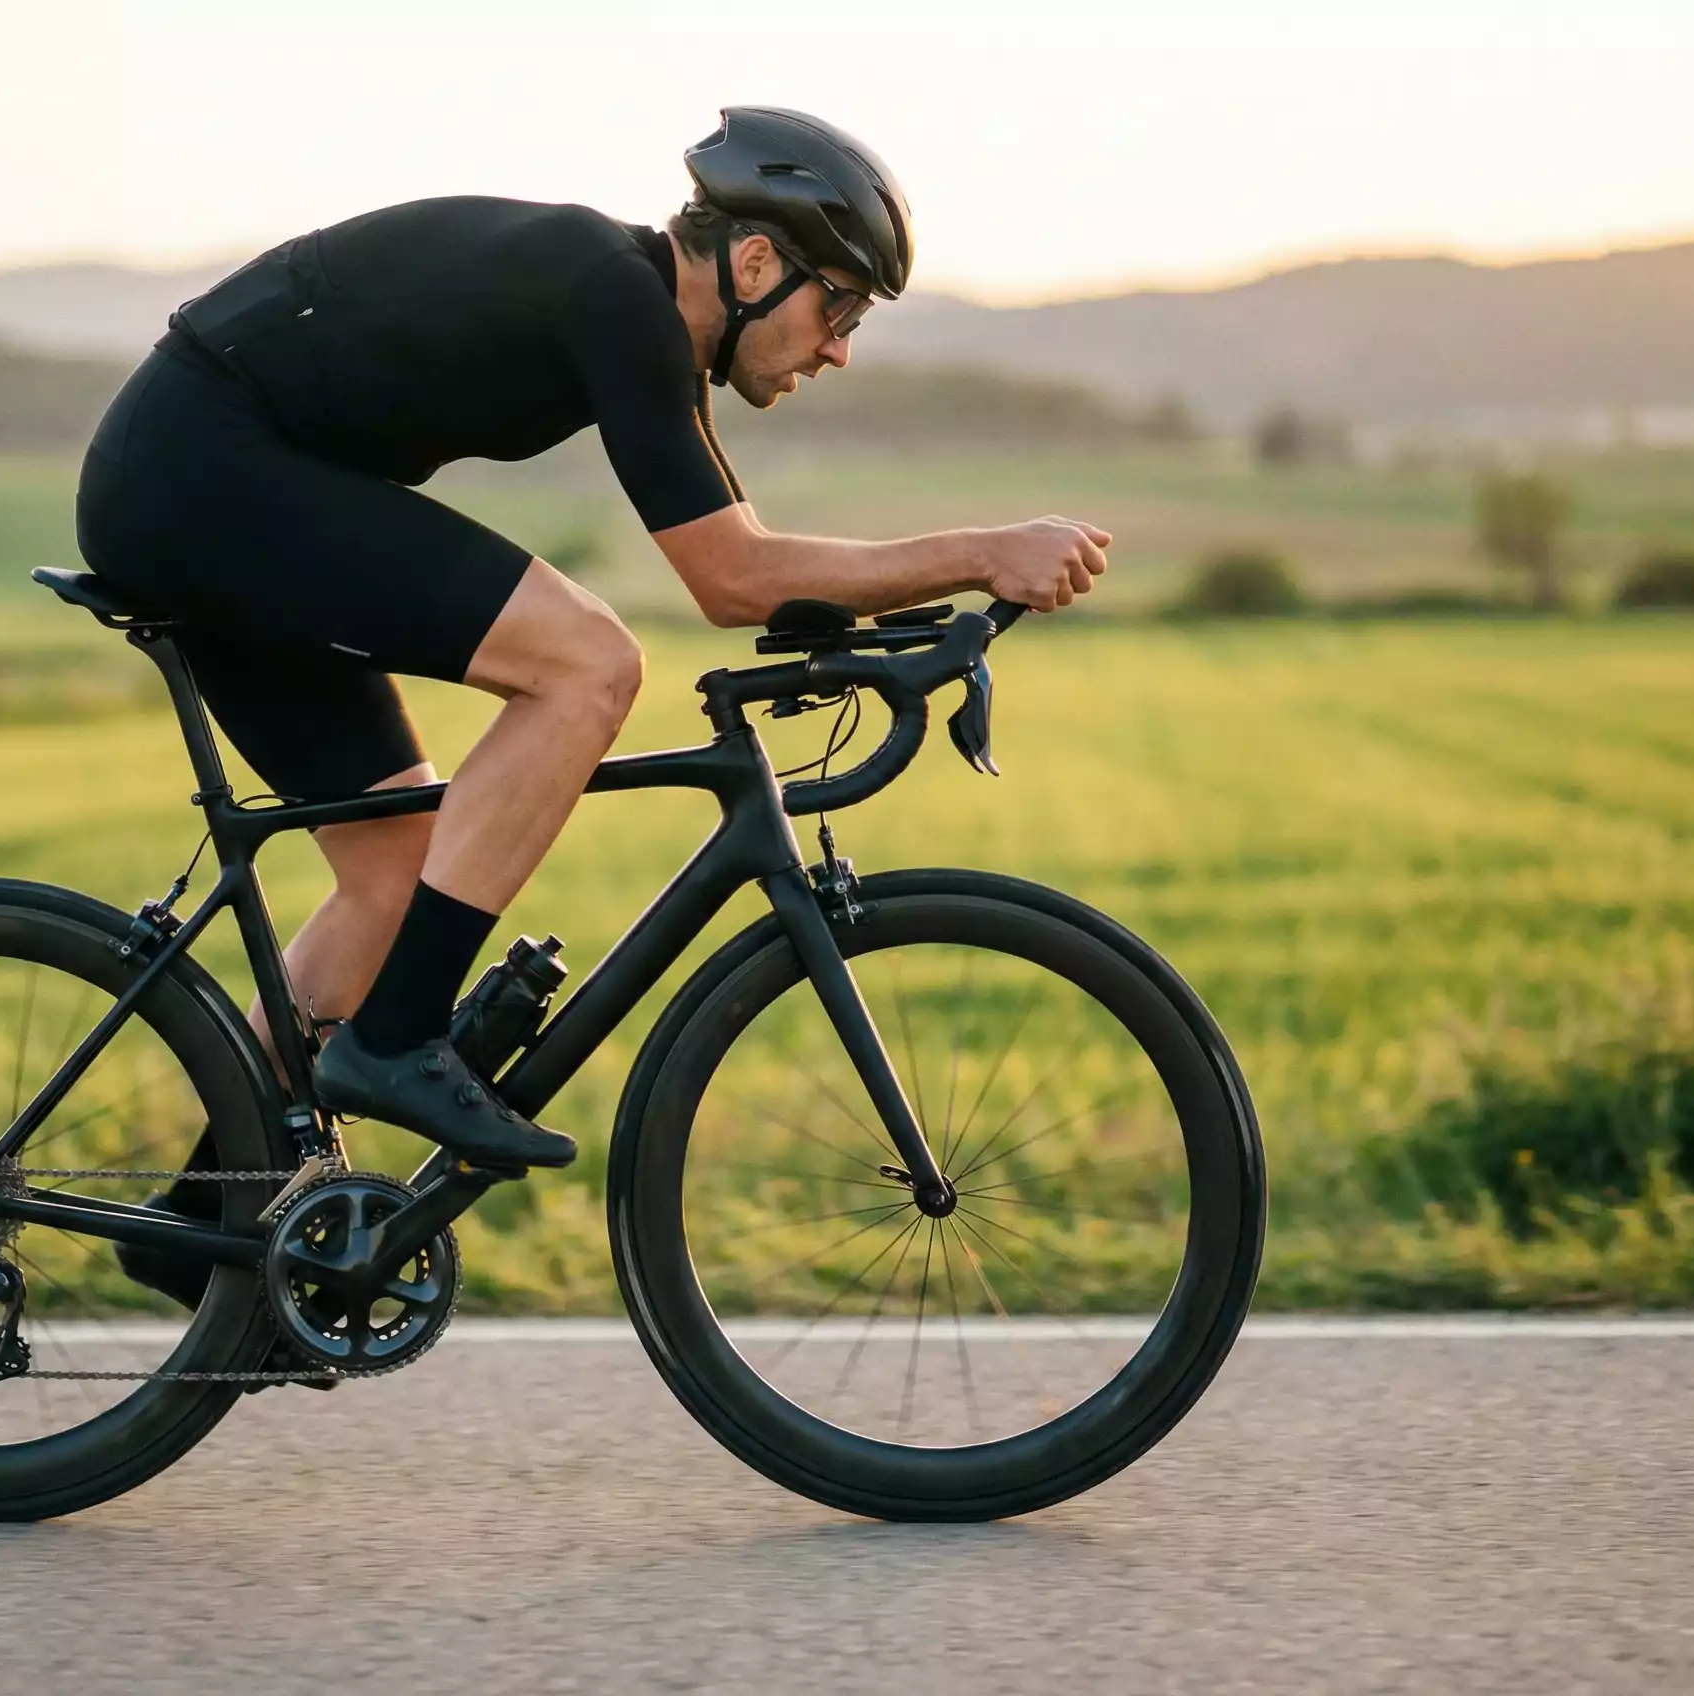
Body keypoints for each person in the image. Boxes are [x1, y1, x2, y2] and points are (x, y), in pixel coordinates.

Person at [74, 108, 1110, 1290]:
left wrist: (891, 626)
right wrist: (982, 551)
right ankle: (398, 1039)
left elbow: (756, 567)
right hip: (202, 471)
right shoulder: (612, 294)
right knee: (587, 662)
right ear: (757, 263)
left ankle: (210, 1219)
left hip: (212, 482)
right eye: (841, 309)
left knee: (396, 870)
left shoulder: (635, 323)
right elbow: (729, 576)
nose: (837, 351)